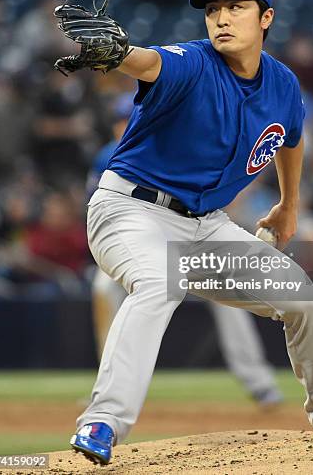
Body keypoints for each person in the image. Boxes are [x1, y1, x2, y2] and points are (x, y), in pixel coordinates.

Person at [54, 0, 313, 465]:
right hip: (130, 211)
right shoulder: (192, 62)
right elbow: (149, 64)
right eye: (213, 9)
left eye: (236, 6)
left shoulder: (281, 83)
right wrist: (122, 54)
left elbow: (290, 140)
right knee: (158, 282)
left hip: (207, 227)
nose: (221, 18)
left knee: (302, 298)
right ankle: (104, 420)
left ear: (266, 17)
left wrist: (288, 205)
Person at [89, 93, 283, 406]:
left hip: (188, 241)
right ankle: (111, 384)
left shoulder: (175, 143)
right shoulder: (107, 157)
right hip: (140, 242)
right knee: (103, 287)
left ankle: (259, 383)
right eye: (120, 120)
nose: (124, 126)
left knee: (229, 300)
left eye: (130, 118)